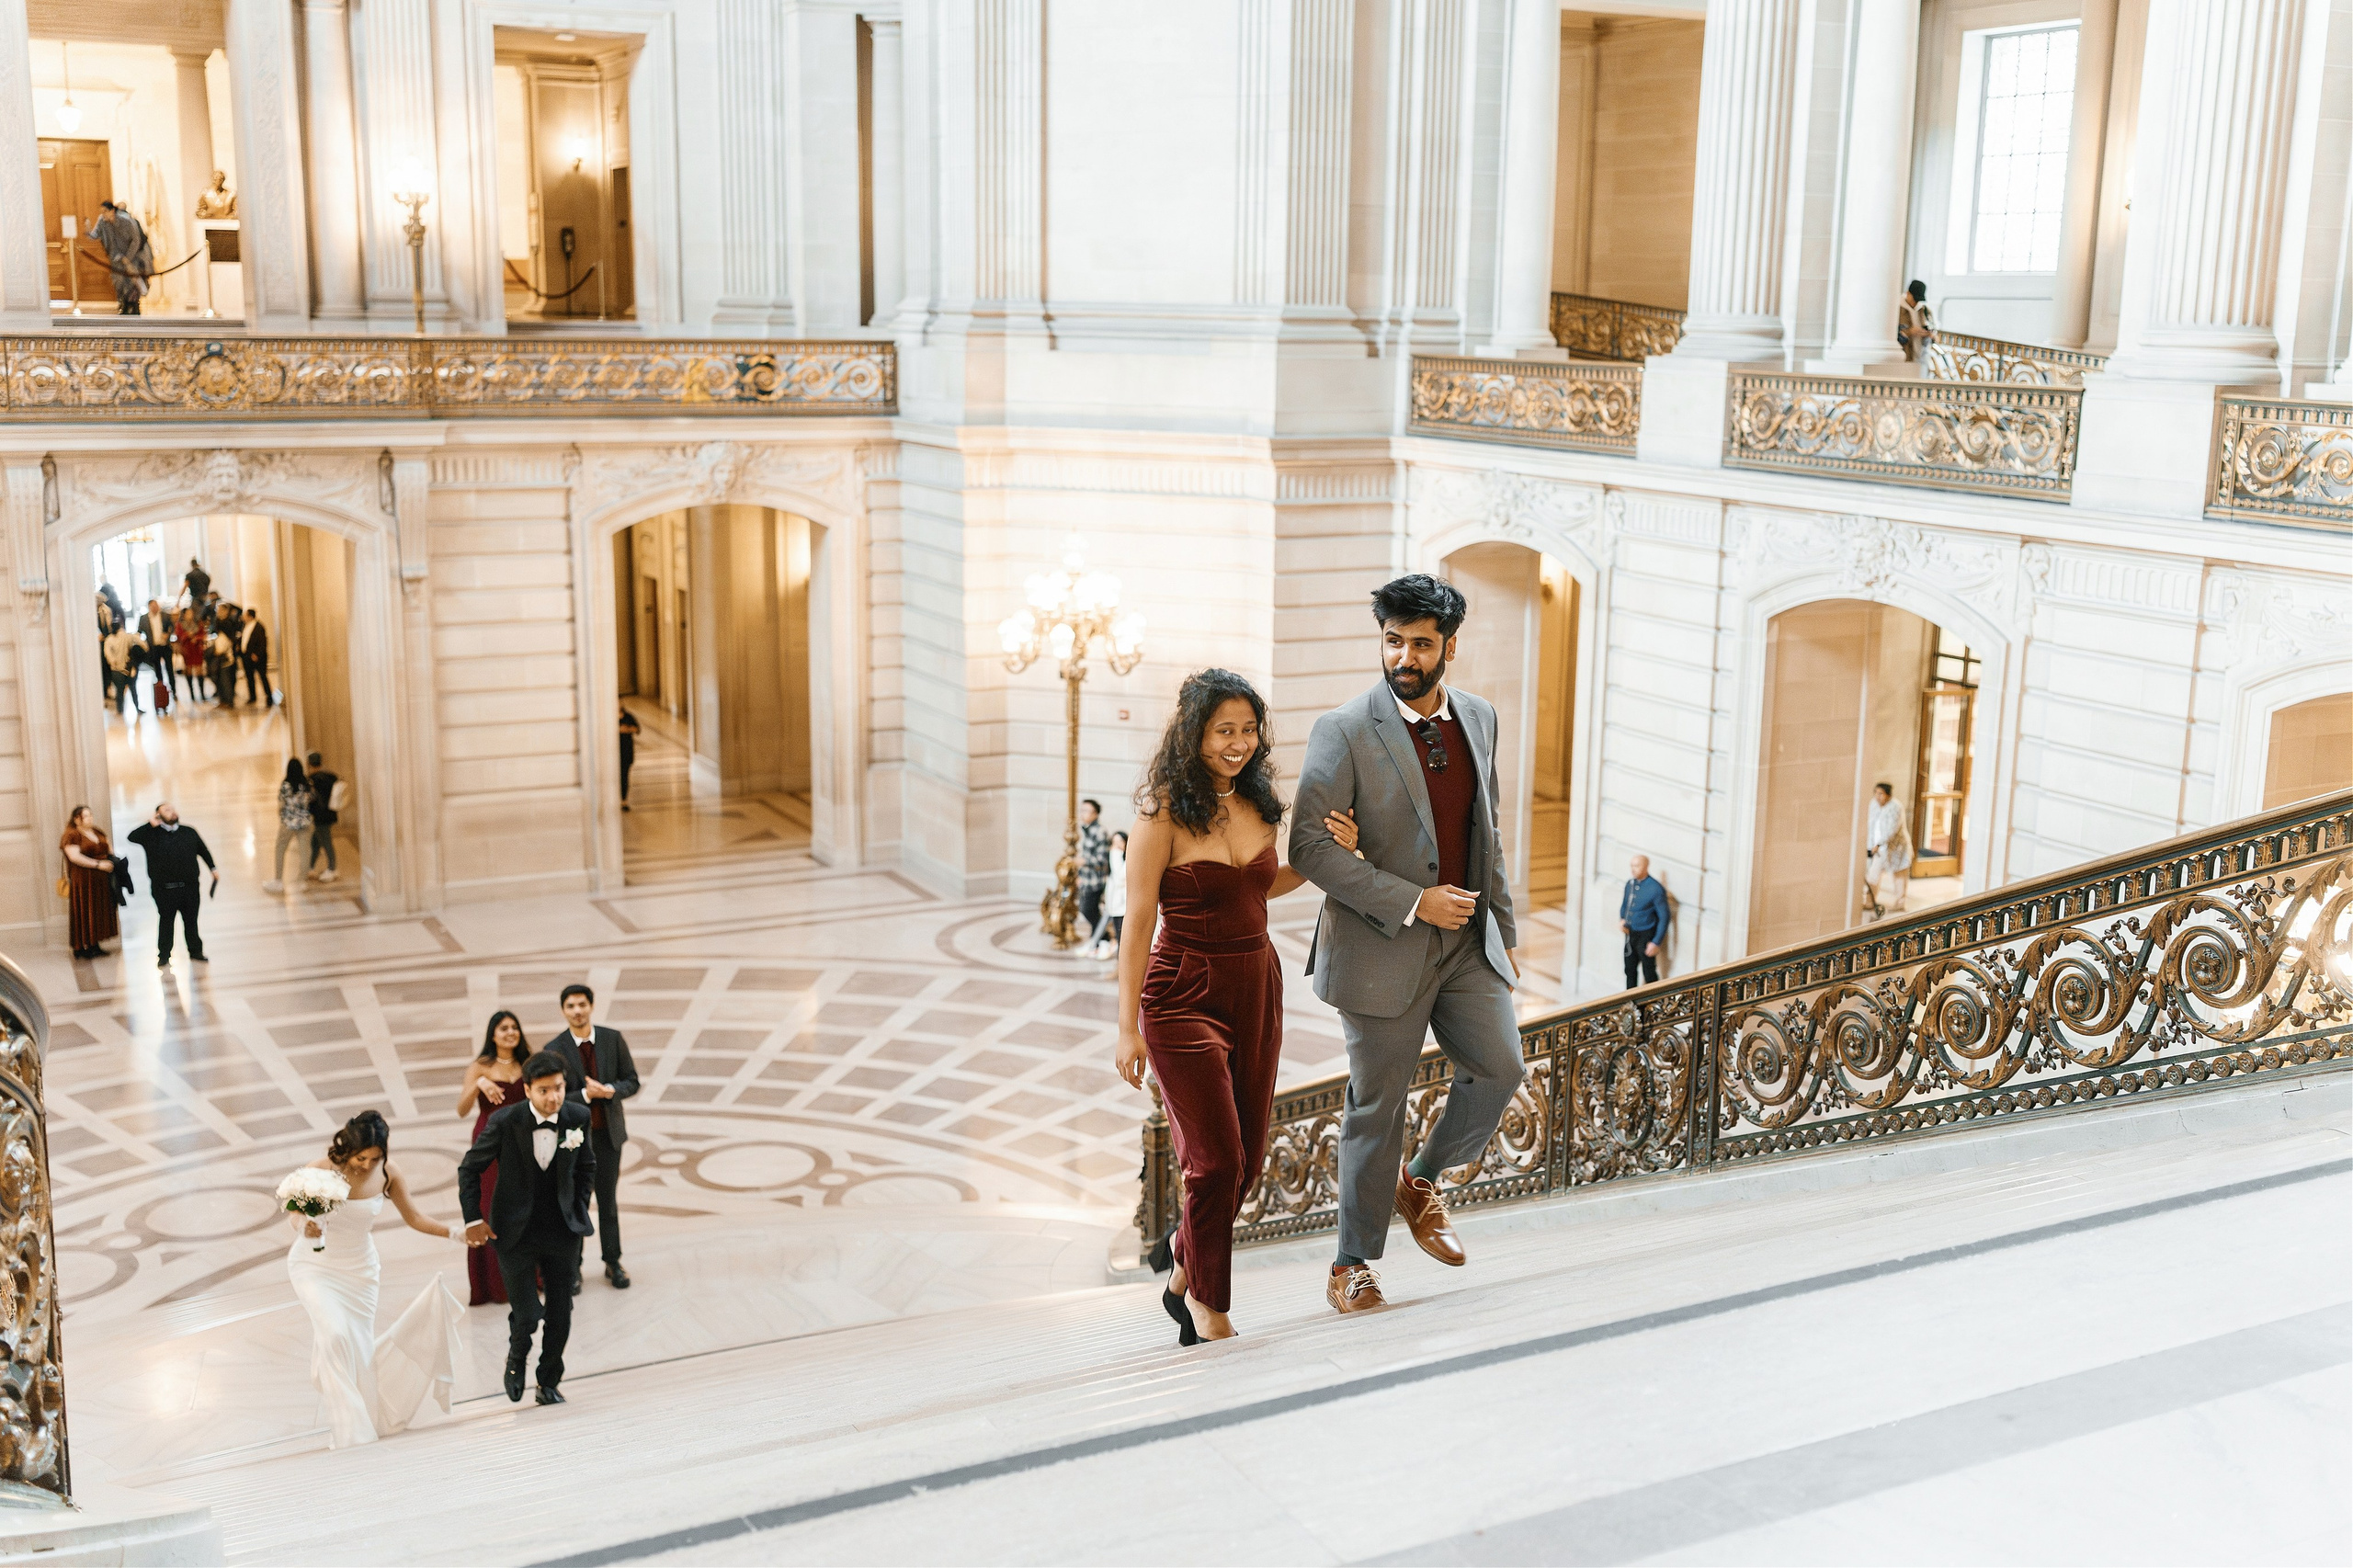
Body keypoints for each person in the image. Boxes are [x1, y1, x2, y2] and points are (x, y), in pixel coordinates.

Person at [1288, 574, 1524, 1315]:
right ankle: (1351, 1266)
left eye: (1421, 643)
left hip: (1465, 945)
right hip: (1380, 946)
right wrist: (1412, 900)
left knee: (1501, 1066)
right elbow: (1306, 848)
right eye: (1394, 640)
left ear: (1449, 646)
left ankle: (1419, 1180)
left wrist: (1503, 940)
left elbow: (1487, 839)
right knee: (1374, 1110)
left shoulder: (1480, 717)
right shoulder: (1344, 729)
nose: (1404, 656)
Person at [1115, 671, 1360, 1345]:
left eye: (1248, 730)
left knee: (1248, 1161)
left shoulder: (1259, 802)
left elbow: (1258, 887)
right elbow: (1137, 921)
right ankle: (1207, 1307)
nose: (1238, 743)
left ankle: (1181, 1264)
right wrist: (1127, 1027)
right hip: (1180, 991)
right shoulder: (1161, 811)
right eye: (1224, 730)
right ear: (1194, 733)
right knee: (1216, 1161)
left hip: (1256, 982)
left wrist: (1321, 858)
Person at [286, 1110, 466, 1449]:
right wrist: (303, 1225)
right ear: (347, 1149)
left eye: (376, 1157)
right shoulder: (322, 1169)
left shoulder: (388, 1173)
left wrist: (456, 1234)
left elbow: (414, 1217)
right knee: (335, 1334)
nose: (368, 1164)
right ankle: (350, 1431)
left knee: (358, 1350)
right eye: (361, 1157)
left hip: (361, 1273)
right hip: (314, 1266)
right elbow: (294, 1211)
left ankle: (362, 1414)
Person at [458, 1051, 596, 1406]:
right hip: (515, 1233)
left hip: (563, 1231)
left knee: (561, 1312)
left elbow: (587, 1166)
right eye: (545, 1090)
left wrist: (579, 1204)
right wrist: (474, 1218)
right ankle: (516, 1359)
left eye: (560, 1088)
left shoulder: (577, 1117)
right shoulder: (506, 1121)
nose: (554, 1097)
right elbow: (469, 1168)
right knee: (528, 1313)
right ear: (529, 1089)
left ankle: (548, 1380)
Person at [542, 985, 639, 1291]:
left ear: (592, 1006)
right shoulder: (554, 1048)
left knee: (608, 1202)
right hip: (574, 1140)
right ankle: (574, 1268)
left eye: (582, 1004)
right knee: (575, 1204)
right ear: (563, 1011)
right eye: (570, 1006)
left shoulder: (612, 1038)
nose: (577, 1011)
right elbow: (552, 1095)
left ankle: (613, 1262)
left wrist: (610, 1091)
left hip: (608, 1136)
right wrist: (585, 1094)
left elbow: (632, 1081)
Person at [457, 1012, 532, 1307]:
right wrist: (479, 1084)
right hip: (488, 1139)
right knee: (489, 1204)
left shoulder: (527, 1063)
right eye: (504, 1028)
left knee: (525, 1203)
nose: (510, 1032)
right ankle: (493, 1284)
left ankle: (529, 1277)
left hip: (522, 1140)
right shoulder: (479, 1066)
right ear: (493, 1034)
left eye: (515, 1027)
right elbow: (462, 1109)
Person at [126, 802, 215, 968]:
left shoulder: (189, 831)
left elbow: (203, 851)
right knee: (166, 922)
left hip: (189, 888)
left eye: (173, 809)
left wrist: (213, 868)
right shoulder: (150, 835)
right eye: (167, 810)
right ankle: (164, 955)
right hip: (165, 890)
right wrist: (149, 825)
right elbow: (131, 837)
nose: (172, 812)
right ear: (158, 816)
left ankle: (196, 952)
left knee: (191, 922)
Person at [61, 807, 119, 960]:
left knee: (98, 910)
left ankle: (95, 944)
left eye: (90, 815)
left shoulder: (97, 832)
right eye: (85, 816)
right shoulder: (72, 835)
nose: (90, 818)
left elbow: (108, 847)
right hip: (84, 879)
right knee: (85, 910)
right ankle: (83, 946)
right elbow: (74, 857)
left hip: (101, 879)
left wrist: (110, 860)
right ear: (77, 819)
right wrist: (98, 864)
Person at [88, 200, 152, 316]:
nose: (103, 214)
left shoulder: (127, 222)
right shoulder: (103, 222)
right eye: (101, 212)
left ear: (112, 211)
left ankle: (134, 305)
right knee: (119, 282)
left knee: (132, 282)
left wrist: (128, 257)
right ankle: (124, 304)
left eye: (105, 212)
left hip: (132, 256)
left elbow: (136, 240)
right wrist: (87, 230)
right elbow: (95, 235)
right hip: (116, 258)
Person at [1619, 855, 1670, 988]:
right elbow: (1625, 905)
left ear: (1645, 867)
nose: (1633, 869)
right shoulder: (1630, 884)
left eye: (1636, 866)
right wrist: (1622, 919)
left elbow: (1664, 917)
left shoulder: (1656, 888)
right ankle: (1629, 1002)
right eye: (1631, 866)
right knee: (1629, 969)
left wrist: (1656, 942)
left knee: (1649, 972)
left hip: (1646, 934)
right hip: (1630, 934)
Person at [1865, 782, 1913, 920]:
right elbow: (1871, 824)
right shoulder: (1873, 805)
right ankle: (1870, 901)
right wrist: (1871, 845)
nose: (1878, 796)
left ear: (1888, 795)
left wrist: (1879, 844)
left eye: (1881, 794)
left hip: (1897, 848)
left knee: (1899, 875)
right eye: (1876, 793)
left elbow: (1892, 829)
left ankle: (1900, 903)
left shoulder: (1896, 807)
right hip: (1878, 847)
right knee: (1873, 874)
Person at [265, 758, 312, 894]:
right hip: (305, 822)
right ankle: (302, 881)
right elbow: (310, 801)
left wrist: (282, 817)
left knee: (280, 849)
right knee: (305, 852)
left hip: (289, 822)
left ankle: (278, 881)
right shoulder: (307, 783)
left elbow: (281, 805)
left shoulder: (286, 785)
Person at [1074, 799, 1110, 945]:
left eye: (1086, 811)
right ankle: (1099, 938)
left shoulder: (1100, 832)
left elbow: (1102, 860)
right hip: (1086, 879)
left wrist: (1084, 861)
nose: (1083, 814)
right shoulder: (1086, 829)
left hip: (1096, 880)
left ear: (1095, 814)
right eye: (1082, 810)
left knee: (1088, 910)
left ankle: (1104, 936)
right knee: (1088, 910)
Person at [305, 751, 343, 883]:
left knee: (326, 842)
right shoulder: (331, 776)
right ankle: (310, 867)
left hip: (319, 816)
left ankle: (332, 869)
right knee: (316, 841)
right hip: (330, 813)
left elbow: (311, 799)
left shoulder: (312, 779)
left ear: (309, 764)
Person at [1093, 829, 1129, 960]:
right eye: (1114, 842)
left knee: (1124, 938)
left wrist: (1115, 855)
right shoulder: (1114, 860)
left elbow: (1120, 878)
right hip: (1115, 905)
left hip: (1124, 905)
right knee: (1118, 934)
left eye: (1120, 841)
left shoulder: (1125, 859)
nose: (1117, 845)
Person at [101, 620, 137, 715]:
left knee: (124, 689)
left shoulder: (113, 638)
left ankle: (123, 709)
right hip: (120, 668)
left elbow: (108, 654)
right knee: (125, 689)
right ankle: (122, 708)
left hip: (121, 668)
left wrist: (113, 661)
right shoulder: (120, 637)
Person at [238, 611, 273, 706]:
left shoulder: (259, 627)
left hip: (257, 657)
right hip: (247, 656)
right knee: (250, 677)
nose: (243, 618)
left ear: (250, 616)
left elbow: (262, 642)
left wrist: (257, 654)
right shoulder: (245, 626)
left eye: (245, 616)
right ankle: (252, 697)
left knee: (262, 676)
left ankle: (269, 697)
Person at [1898, 280, 1935, 362]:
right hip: (1904, 358)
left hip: (1921, 358)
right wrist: (1909, 332)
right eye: (1915, 298)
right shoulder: (1897, 310)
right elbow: (1892, 335)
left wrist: (1929, 334)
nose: (1916, 302)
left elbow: (1934, 333)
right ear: (1908, 293)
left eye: (1918, 299)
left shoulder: (1925, 311)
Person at [206, 621, 237, 709]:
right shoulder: (222, 636)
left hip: (225, 664)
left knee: (225, 683)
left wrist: (211, 652)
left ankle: (229, 701)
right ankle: (224, 701)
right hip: (223, 664)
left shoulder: (222, 637)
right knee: (222, 683)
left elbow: (219, 651)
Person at [618, 708, 641, 811]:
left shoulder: (628, 716)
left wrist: (628, 729)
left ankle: (624, 800)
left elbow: (637, 729)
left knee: (624, 776)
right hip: (615, 752)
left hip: (626, 751)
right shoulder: (609, 716)